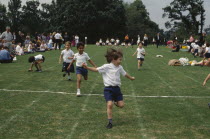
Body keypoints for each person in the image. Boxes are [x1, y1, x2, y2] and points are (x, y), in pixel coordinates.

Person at [82, 48, 135, 129]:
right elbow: (96, 69)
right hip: (108, 89)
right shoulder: (106, 66)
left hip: (117, 89)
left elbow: (125, 74)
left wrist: (131, 77)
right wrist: (87, 67)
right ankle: (110, 122)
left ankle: (114, 101)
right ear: (114, 59)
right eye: (120, 59)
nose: (121, 61)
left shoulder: (120, 67)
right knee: (109, 105)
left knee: (121, 105)